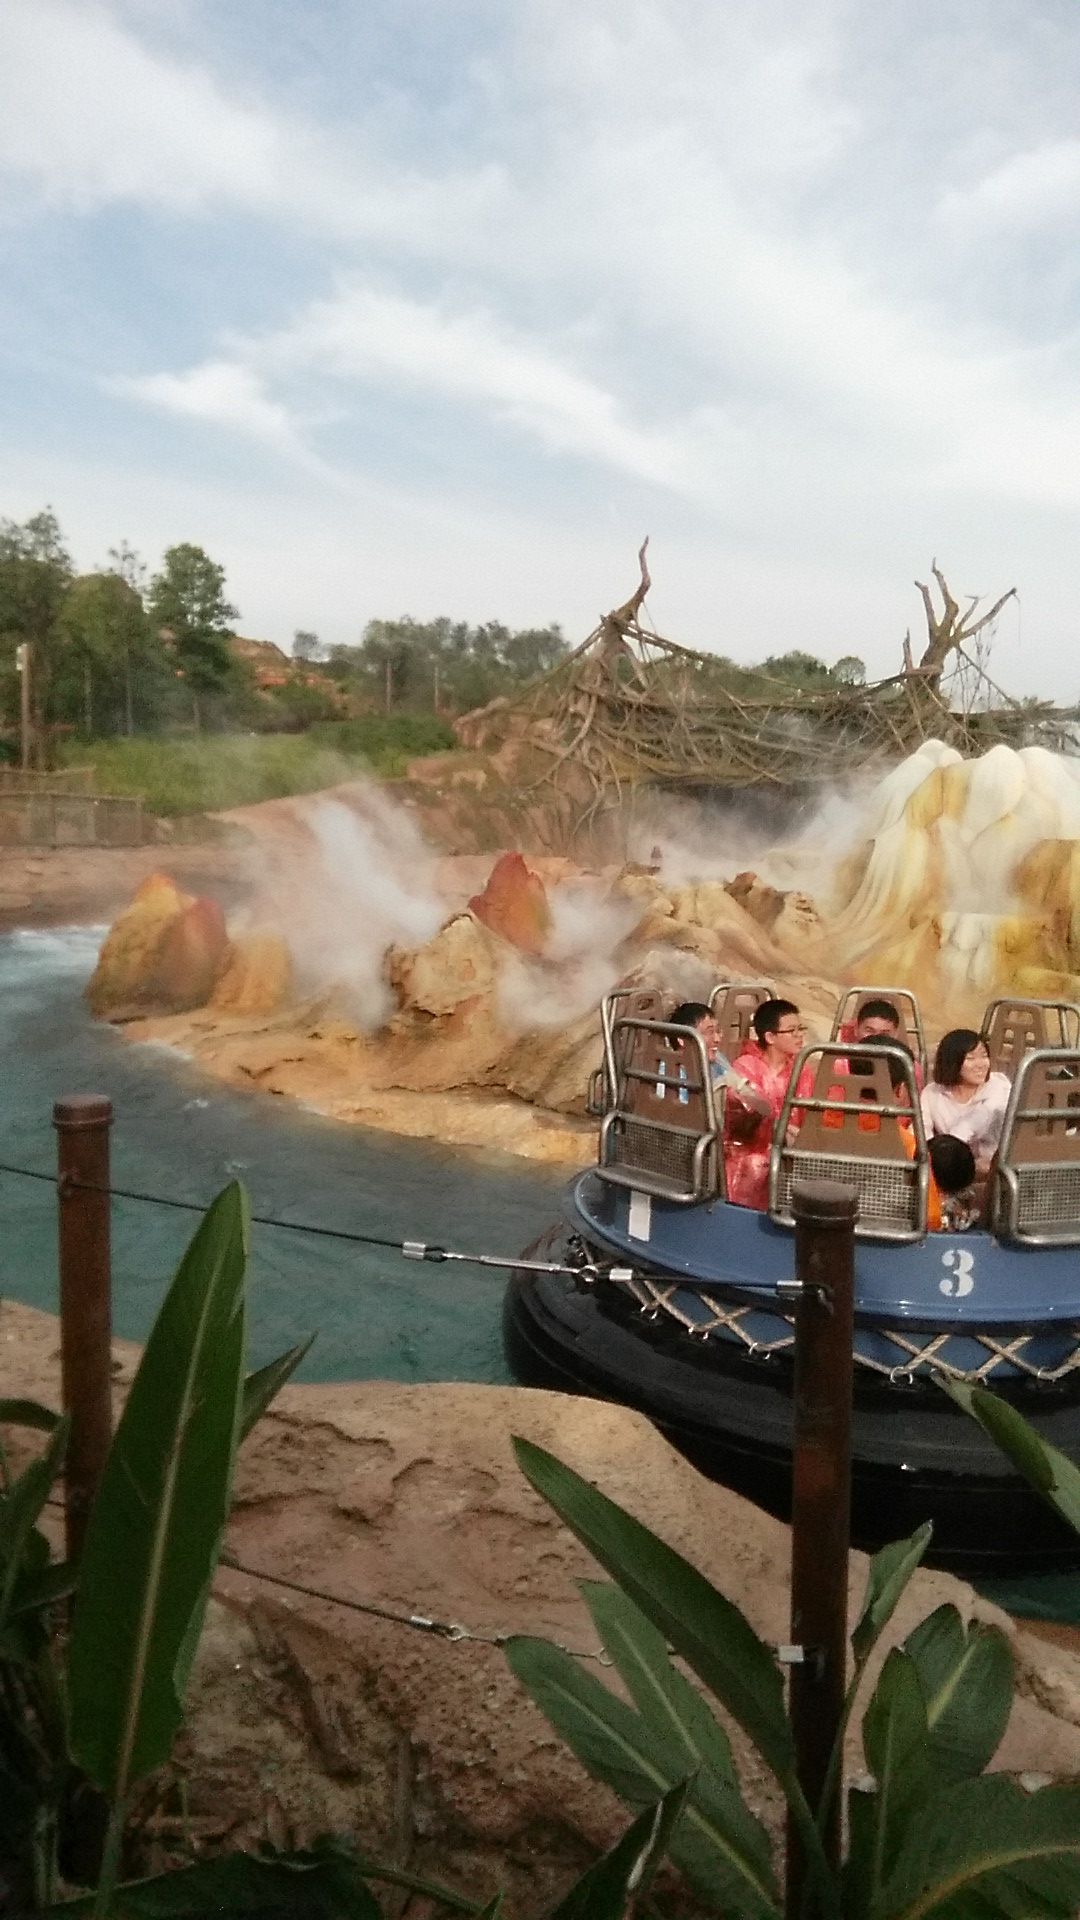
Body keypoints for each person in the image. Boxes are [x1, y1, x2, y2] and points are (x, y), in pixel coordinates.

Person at [725, 999, 815, 1209]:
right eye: (791, 1030)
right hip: (748, 1150)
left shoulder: (803, 1071)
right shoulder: (745, 1066)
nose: (799, 1035)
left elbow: (807, 1118)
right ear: (770, 1037)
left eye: (800, 1029)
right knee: (756, 1166)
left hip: (787, 1149)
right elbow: (746, 1114)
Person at [920, 1029, 1011, 1175]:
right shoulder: (932, 1093)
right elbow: (921, 1131)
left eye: (984, 1056)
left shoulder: (999, 1085)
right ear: (952, 1061)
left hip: (993, 1167)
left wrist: (947, 1148)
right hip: (950, 1170)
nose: (981, 1064)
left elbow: (979, 1118)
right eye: (971, 1058)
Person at [666, 1002, 772, 1121]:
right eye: (709, 1032)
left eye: (718, 1031)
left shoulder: (718, 1061)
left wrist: (742, 1100)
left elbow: (756, 1102)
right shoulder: (668, 1072)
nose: (717, 1039)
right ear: (683, 1040)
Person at [837, 996, 924, 1088]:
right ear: (856, 1029)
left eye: (884, 1034)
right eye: (869, 1031)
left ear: (895, 1034)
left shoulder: (909, 1067)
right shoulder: (838, 1066)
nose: (876, 1038)